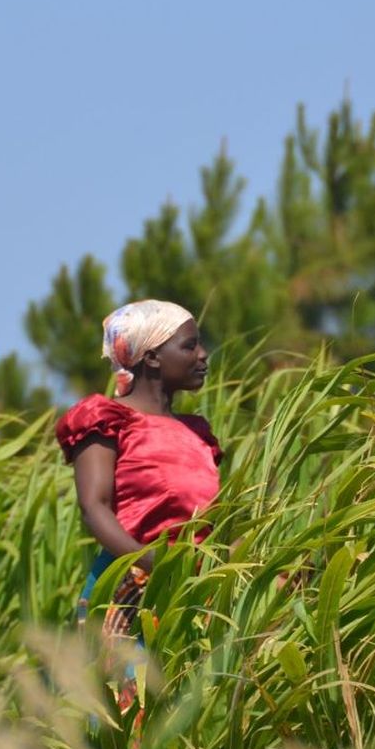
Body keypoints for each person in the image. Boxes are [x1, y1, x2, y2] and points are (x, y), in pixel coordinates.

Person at [55, 299, 220, 714]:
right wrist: (156, 565)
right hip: (129, 590)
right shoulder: (108, 420)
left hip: (194, 592)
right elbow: (95, 509)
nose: (202, 356)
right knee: (129, 721)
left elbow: (210, 520)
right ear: (151, 357)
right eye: (189, 346)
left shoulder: (197, 432)